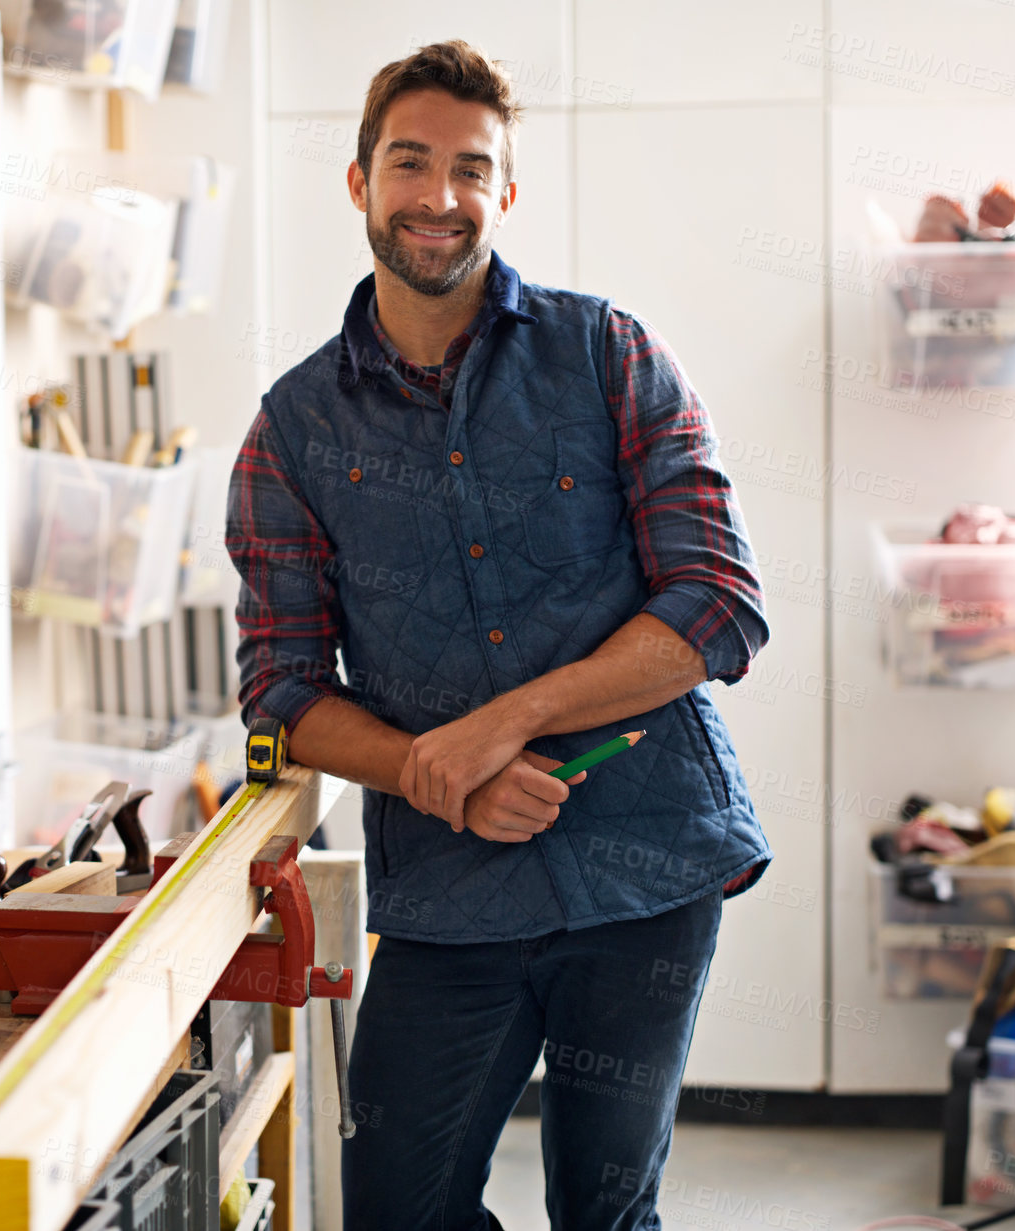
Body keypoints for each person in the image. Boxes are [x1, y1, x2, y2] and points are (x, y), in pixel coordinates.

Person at [226, 40, 773, 1231]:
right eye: (410, 162)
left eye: (472, 169)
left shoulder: (610, 355)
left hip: (647, 865)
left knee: (604, 1209)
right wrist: (442, 784)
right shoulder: (293, 430)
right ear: (360, 180)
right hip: (450, 884)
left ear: (506, 193)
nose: (440, 196)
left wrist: (500, 723)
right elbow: (281, 689)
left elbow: (718, 604)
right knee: (395, 1208)